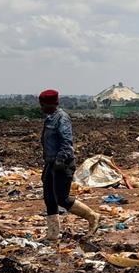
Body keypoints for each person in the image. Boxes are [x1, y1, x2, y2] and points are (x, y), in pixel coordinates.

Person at [39, 89, 100, 241]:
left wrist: (59, 161)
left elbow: (66, 143)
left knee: (62, 198)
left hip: (62, 164)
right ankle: (53, 233)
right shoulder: (50, 119)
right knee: (49, 198)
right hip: (50, 163)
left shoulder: (62, 118)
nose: (41, 107)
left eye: (43, 104)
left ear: (51, 104)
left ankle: (92, 216)